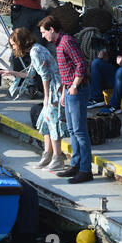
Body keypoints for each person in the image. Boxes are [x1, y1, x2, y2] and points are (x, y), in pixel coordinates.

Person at [0, 28, 68, 171]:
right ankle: (47, 154)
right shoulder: (36, 49)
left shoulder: (35, 51)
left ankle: (58, 157)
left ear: (21, 42)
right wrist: (12, 73)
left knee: (52, 121)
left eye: (14, 44)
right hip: (53, 87)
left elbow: (44, 76)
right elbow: (31, 73)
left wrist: (47, 97)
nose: (13, 47)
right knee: (44, 122)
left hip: (55, 89)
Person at [38, 15, 93, 184]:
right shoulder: (59, 43)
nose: (43, 36)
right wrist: (64, 92)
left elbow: (80, 64)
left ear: (52, 30)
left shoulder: (67, 41)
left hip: (77, 90)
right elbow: (66, 69)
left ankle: (85, 169)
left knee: (80, 131)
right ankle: (75, 165)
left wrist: (75, 86)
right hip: (68, 91)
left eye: (43, 32)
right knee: (71, 129)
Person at [4, 0, 46, 95]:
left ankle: (38, 85)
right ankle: (20, 84)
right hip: (22, 11)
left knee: (39, 48)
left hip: (37, 10)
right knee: (19, 47)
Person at [87, 50, 122, 114]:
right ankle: (98, 98)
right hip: (118, 78)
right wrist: (106, 57)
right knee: (96, 63)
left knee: (121, 71)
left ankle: (115, 106)